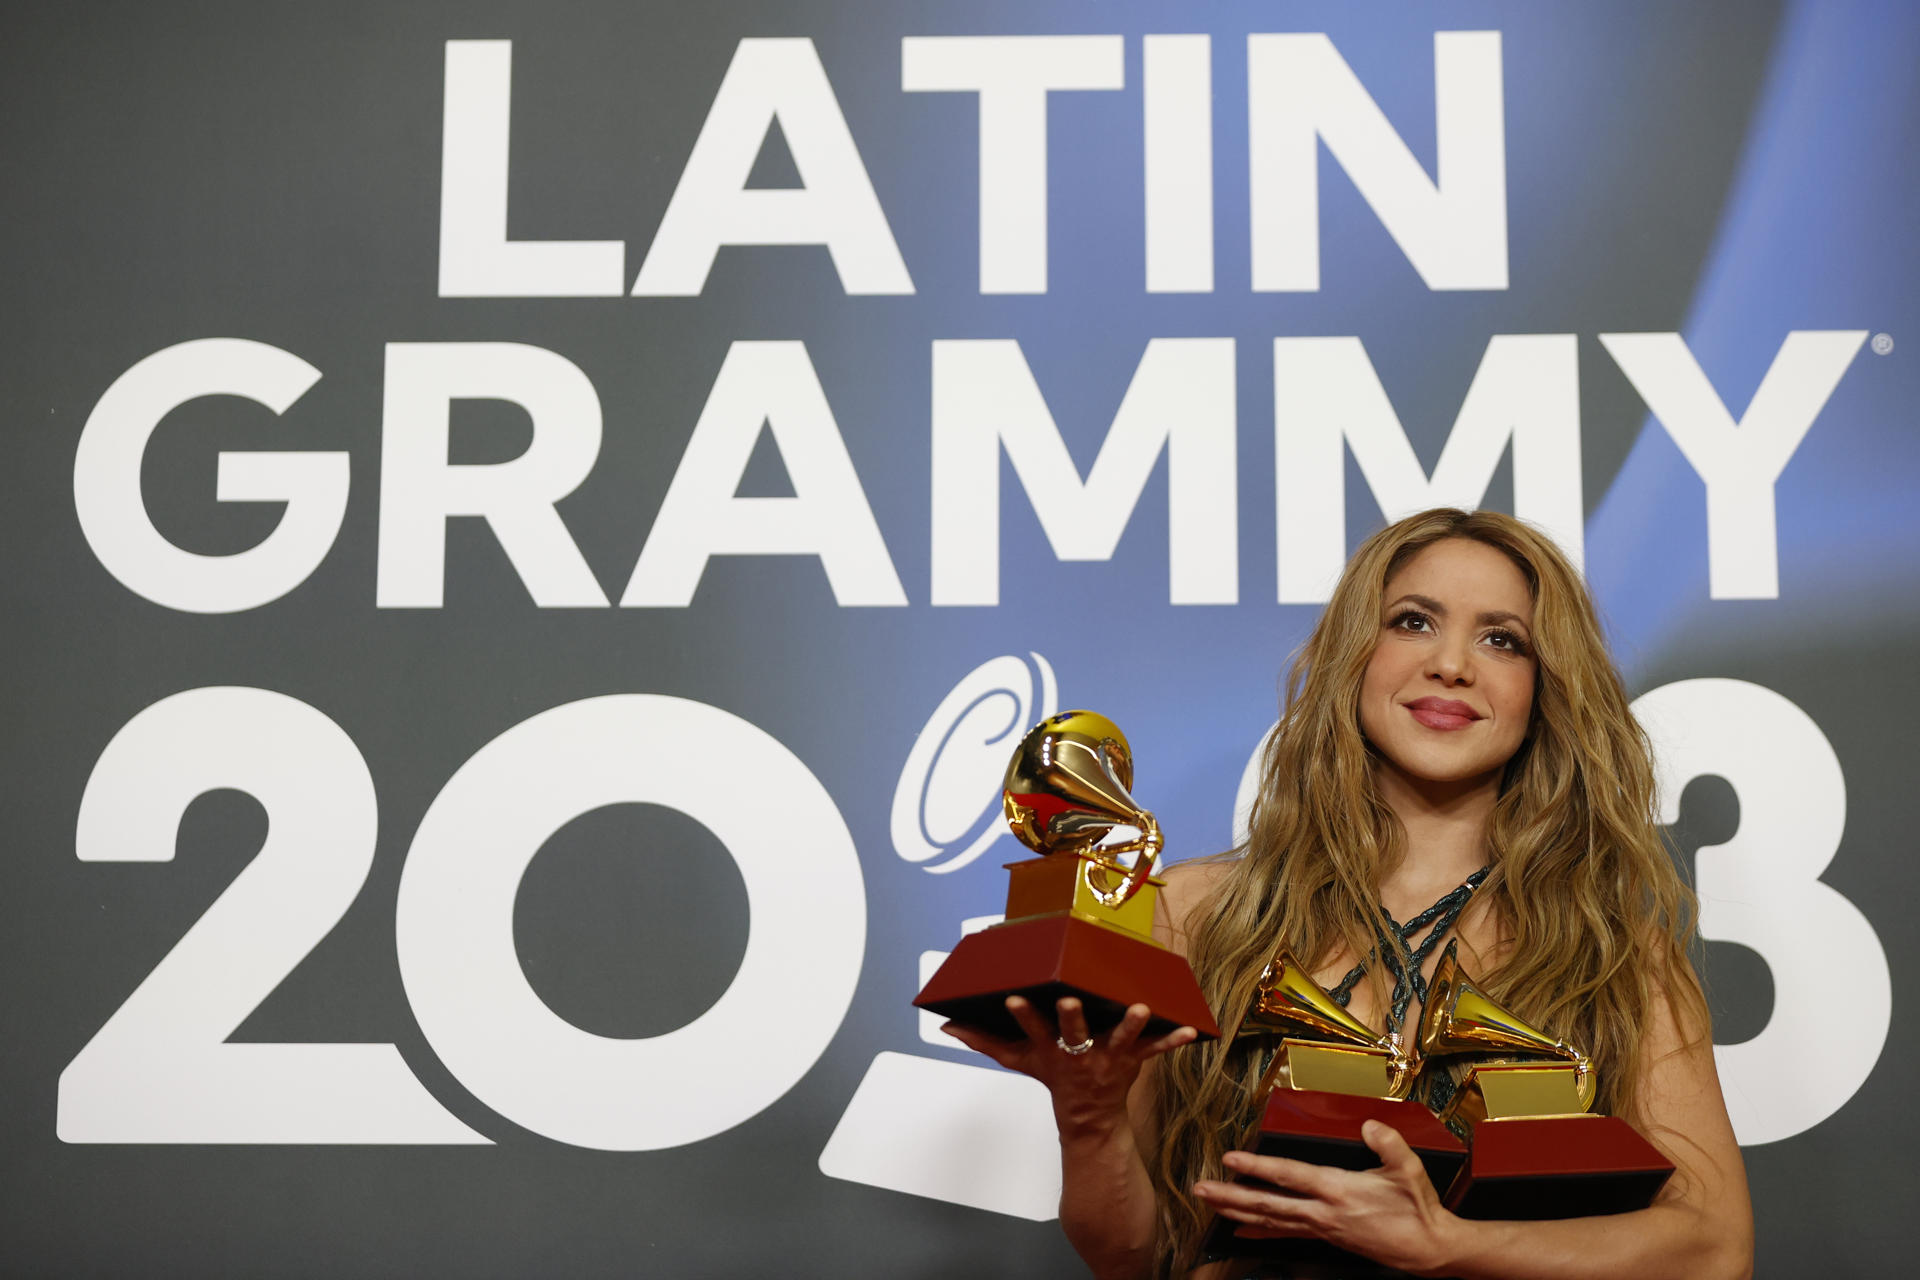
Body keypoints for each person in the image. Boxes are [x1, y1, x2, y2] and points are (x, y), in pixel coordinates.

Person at [941, 508, 1753, 1279]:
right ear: (1352, 655)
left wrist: (1449, 1245)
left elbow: (1714, 1250)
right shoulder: (1190, 913)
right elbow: (1133, 1258)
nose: (1452, 664)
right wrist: (1087, 1120)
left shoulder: (1609, 947)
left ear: (1545, 691)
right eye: (1413, 621)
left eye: (1503, 640)